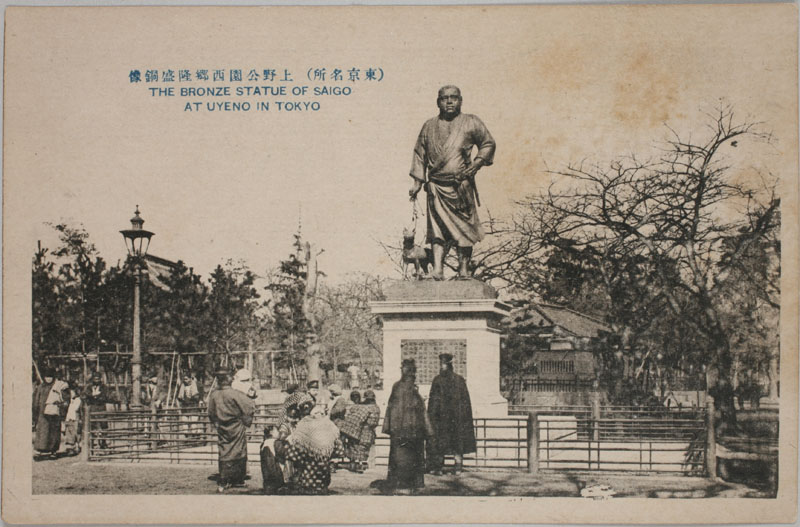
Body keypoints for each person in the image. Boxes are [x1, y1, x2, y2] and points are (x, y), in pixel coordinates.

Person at [408, 85, 496, 280]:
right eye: (444, 98)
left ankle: (464, 269)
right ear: (438, 102)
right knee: (437, 230)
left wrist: (476, 164)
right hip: (436, 186)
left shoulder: (471, 122)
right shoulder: (429, 126)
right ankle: (437, 270)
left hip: (460, 186)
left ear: (460, 100)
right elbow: (419, 154)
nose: (449, 101)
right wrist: (417, 182)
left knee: (465, 229)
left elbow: (488, 143)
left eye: (453, 98)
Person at [382, 359, 431, 494]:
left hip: (401, 431)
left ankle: (402, 484)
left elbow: (392, 408)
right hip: (411, 431)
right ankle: (410, 484)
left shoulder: (399, 387)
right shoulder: (407, 390)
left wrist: (392, 427)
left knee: (403, 458)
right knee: (409, 458)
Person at [207, 368, 256, 493]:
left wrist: (217, 423)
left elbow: (211, 412)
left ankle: (225, 479)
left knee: (224, 450)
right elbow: (249, 406)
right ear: (227, 379)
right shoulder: (235, 394)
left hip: (222, 426)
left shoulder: (214, 394)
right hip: (236, 425)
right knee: (239, 450)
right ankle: (237, 479)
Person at [279, 401, 344, 495]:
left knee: (307, 472)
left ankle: (309, 487)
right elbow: (337, 445)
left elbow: (296, 442)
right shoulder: (329, 424)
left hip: (308, 460)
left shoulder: (305, 423)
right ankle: (320, 487)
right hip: (323, 460)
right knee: (321, 473)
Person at [427, 353, 476, 475]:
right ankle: (449, 467)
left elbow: (433, 403)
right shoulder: (456, 380)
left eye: (443, 364)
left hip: (446, 419)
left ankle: (447, 467)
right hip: (452, 419)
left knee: (444, 442)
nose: (442, 367)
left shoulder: (442, 380)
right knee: (449, 442)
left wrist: (432, 416)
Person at [339, 389, 381, 473]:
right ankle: (360, 465)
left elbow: (358, 419)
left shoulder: (365, 408)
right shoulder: (376, 408)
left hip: (362, 432)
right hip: (370, 432)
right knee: (363, 449)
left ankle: (357, 465)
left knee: (357, 447)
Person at [32, 368, 67, 459]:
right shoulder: (40, 387)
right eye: (47, 377)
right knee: (42, 432)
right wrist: (35, 413)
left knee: (54, 432)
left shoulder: (58, 386)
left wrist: (60, 406)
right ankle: (39, 451)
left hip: (54, 412)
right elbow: (35, 400)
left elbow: (64, 399)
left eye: (50, 377)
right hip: (42, 413)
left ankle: (53, 451)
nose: (48, 379)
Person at [83, 371, 113, 451]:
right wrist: (92, 396)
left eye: (98, 379)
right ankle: (92, 443)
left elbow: (105, 396)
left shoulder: (104, 387)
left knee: (103, 426)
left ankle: (103, 442)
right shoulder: (89, 387)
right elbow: (85, 395)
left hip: (101, 408)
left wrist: (96, 397)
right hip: (92, 408)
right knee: (92, 426)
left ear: (100, 379)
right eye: (95, 379)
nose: (96, 380)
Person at [63, 385, 83, 456]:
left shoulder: (79, 400)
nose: (71, 394)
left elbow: (78, 410)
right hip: (69, 418)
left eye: (72, 393)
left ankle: (76, 447)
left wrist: (80, 418)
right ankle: (71, 448)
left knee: (76, 433)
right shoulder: (69, 401)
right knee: (69, 433)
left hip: (75, 418)